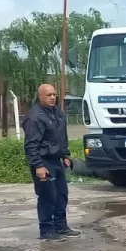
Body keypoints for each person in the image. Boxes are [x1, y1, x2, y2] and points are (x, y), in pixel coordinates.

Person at [22, 83, 79, 241]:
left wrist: (65, 155)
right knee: (47, 196)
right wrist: (38, 165)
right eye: (48, 95)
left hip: (56, 161)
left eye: (54, 94)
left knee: (61, 195)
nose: (52, 97)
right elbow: (31, 145)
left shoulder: (58, 113)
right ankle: (46, 230)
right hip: (43, 161)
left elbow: (61, 137)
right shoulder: (34, 117)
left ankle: (61, 226)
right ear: (40, 96)